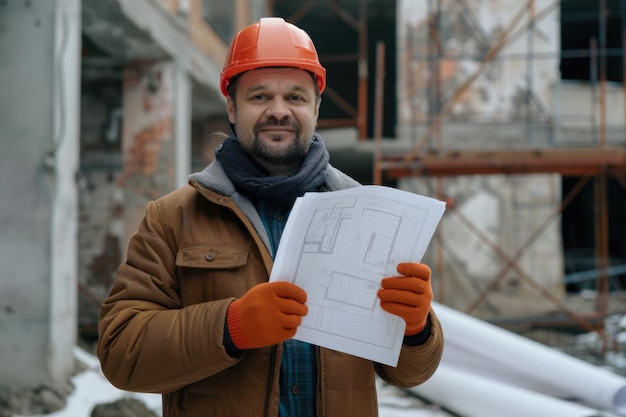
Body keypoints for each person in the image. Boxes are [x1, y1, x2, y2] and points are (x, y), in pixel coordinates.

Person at [97, 17, 444, 417]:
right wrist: (231, 326)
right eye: (259, 97)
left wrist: (415, 329)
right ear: (231, 106)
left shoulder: (366, 214)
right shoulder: (172, 218)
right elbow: (120, 354)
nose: (279, 111)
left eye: (295, 97)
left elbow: (411, 374)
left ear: (316, 106)